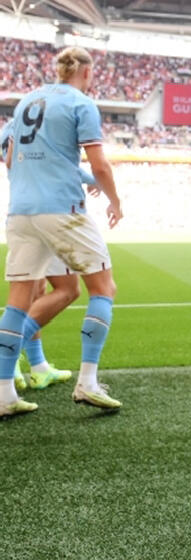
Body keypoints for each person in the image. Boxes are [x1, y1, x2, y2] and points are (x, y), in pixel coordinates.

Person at [0, 46, 124, 418]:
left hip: (21, 211)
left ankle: (4, 394)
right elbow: (100, 165)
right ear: (86, 72)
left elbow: (10, 156)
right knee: (103, 287)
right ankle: (88, 383)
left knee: (18, 300)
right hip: (62, 209)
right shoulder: (80, 103)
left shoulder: (27, 101)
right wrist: (115, 201)